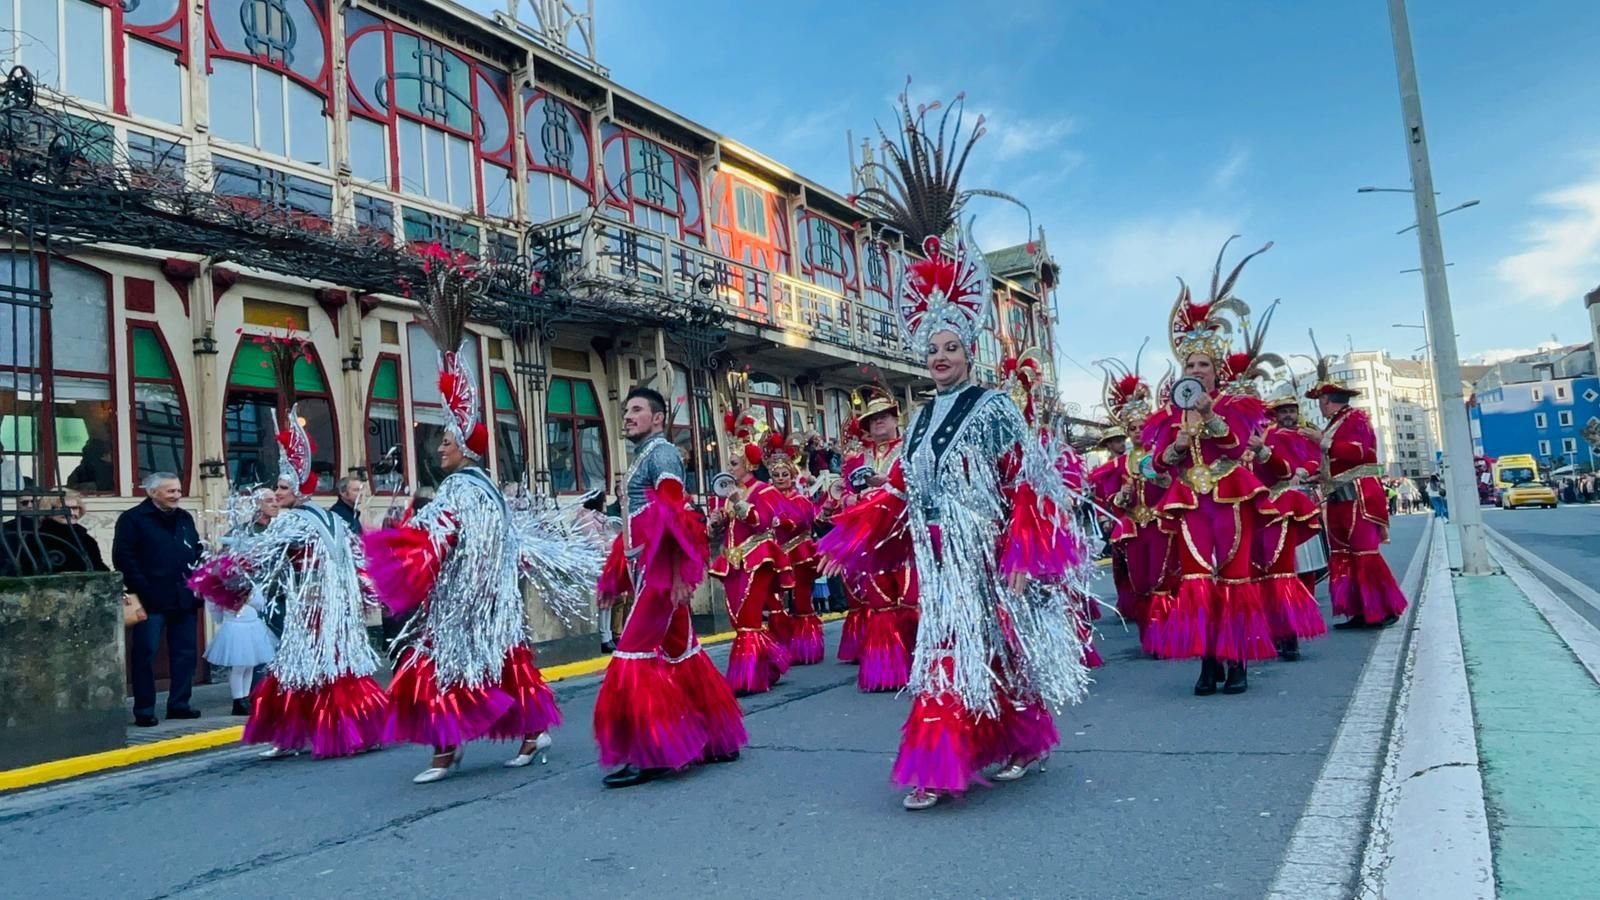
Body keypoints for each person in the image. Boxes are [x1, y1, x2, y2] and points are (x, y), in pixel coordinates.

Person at [820, 228, 1092, 811]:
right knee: (948, 648)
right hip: (936, 557)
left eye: (950, 348)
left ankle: (998, 745)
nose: (940, 358)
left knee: (995, 645)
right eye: (932, 350)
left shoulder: (993, 407)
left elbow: (1026, 482)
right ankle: (946, 761)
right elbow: (901, 491)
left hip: (985, 551)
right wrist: (849, 537)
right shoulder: (918, 419)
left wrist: (1023, 552)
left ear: (970, 352)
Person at [363, 248, 600, 783]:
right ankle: (500, 738)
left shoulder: (463, 488)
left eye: (447, 440)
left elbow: (440, 536)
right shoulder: (478, 486)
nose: (440, 448)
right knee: (495, 666)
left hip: (470, 602)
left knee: (449, 668)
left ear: (466, 448)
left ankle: (463, 747)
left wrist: (397, 539)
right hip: (476, 599)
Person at [189, 390, 387, 757]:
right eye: (277, 487)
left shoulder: (294, 521)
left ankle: (327, 733)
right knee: (304, 668)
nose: (276, 493)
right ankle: (293, 734)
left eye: (282, 487)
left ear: (297, 488)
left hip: (313, 611)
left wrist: (219, 576)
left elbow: (261, 558)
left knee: (312, 669)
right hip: (328, 609)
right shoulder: (330, 517)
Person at [1140, 239, 1280, 696]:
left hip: (1229, 499)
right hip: (1191, 504)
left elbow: (1237, 445)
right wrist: (1176, 447)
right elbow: (1155, 466)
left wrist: (1209, 414)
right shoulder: (1168, 416)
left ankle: (1236, 658)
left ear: (1216, 371)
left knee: (1234, 578)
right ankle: (1207, 663)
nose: (1196, 369)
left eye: (1204, 364)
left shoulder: (1237, 404)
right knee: (1198, 581)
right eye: (1190, 363)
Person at [592, 386, 747, 788]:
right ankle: (714, 738)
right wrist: (616, 575)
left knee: (634, 654)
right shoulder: (646, 456)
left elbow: (674, 516)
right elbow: (635, 526)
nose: (627, 416)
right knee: (681, 652)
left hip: (660, 576)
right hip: (651, 570)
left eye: (637, 410)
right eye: (626, 410)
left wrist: (677, 576)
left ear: (657, 418)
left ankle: (654, 753)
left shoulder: (661, 454)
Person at [1302, 352, 1408, 630]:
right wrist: (1318, 475)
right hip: (1338, 495)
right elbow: (1336, 461)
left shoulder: (1356, 419)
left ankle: (1382, 610)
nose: (1320, 405)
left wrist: (1322, 441)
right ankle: (1360, 611)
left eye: (1320, 401)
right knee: (1343, 554)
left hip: (1358, 495)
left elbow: (1361, 452)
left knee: (1363, 553)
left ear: (1327, 400)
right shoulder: (1336, 423)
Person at [836, 385, 918, 692]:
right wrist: (849, 500)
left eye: (884, 416)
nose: (879, 422)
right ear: (867, 427)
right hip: (871, 542)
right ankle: (888, 672)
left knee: (911, 601)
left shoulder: (910, 450)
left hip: (905, 538)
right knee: (880, 606)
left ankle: (919, 664)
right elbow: (842, 493)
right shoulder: (858, 460)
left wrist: (890, 485)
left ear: (895, 418)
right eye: (873, 419)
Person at [708, 411, 791, 695]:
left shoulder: (764, 491)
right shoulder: (731, 493)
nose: (729, 468)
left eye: (734, 463)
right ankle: (771, 663)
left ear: (748, 464)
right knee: (739, 619)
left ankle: (749, 677)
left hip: (757, 559)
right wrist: (717, 520)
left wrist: (737, 503)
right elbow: (722, 530)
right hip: (733, 560)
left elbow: (761, 522)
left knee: (747, 618)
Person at [113, 473, 204, 727]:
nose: (176, 496)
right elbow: (124, 558)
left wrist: (200, 579)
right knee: (145, 653)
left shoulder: (185, 518)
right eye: (170, 491)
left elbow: (196, 549)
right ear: (153, 493)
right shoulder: (133, 519)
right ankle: (144, 709)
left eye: (178, 490)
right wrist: (143, 589)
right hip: (150, 598)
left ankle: (179, 704)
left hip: (184, 596)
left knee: (185, 653)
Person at [1248, 386, 1328, 662]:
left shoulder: (1301, 435)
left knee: (1291, 571)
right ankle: (1272, 631)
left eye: (1292, 410)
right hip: (1254, 508)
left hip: (1290, 503)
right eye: (1283, 411)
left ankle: (1291, 631)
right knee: (1261, 572)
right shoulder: (1262, 435)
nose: (1288, 415)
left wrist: (1304, 469)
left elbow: (1312, 459)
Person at [202, 490, 281, 716]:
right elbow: (223, 565)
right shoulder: (241, 533)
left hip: (272, 598)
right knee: (245, 658)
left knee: (262, 654)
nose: (275, 504)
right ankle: (248, 698)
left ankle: (264, 695)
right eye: (269, 500)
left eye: (276, 500)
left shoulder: (279, 529)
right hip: (245, 602)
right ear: (255, 506)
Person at [766, 437, 825, 664]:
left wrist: (783, 522)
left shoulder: (801, 499)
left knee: (801, 599)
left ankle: (806, 648)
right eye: (777, 475)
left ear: (792, 476)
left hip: (799, 552)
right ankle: (780, 648)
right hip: (776, 553)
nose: (781, 479)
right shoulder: (767, 498)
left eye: (785, 475)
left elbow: (802, 521)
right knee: (776, 602)